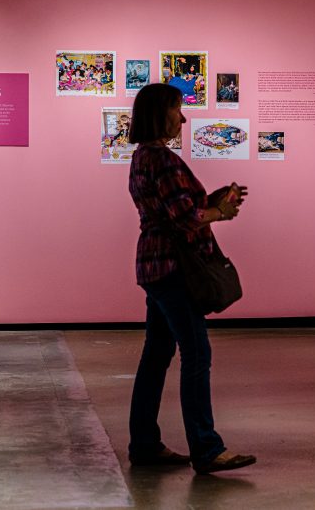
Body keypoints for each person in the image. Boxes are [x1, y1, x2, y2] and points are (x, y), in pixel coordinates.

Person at [126, 82, 256, 475]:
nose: (182, 118)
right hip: (174, 269)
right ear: (158, 113)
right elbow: (185, 219)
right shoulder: (163, 160)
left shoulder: (140, 158)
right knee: (196, 354)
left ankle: (145, 443)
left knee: (156, 356)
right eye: (176, 109)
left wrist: (212, 200)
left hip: (153, 265)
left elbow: (169, 209)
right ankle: (206, 447)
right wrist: (221, 213)